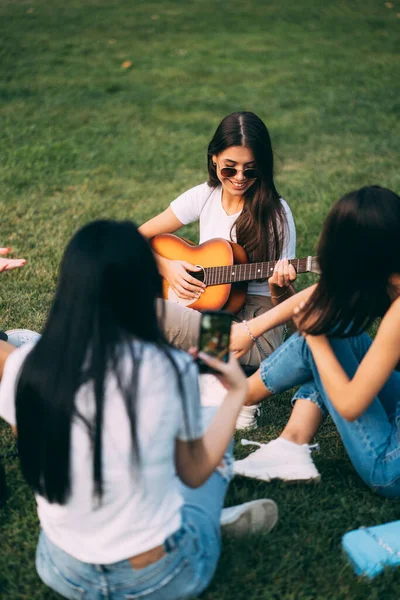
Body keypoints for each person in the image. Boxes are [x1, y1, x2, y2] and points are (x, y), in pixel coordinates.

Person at [0, 220, 278, 600]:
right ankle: (200, 523)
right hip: (155, 577)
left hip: (62, 568)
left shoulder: (26, 367)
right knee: (210, 421)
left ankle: (177, 515)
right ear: (148, 284)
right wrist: (236, 392)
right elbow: (231, 342)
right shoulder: (167, 364)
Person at [228, 185, 400, 496]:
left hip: (392, 466)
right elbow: (327, 294)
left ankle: (227, 400)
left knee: (321, 342)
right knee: (335, 331)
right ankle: (287, 442)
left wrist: (316, 339)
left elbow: (349, 405)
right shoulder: (391, 275)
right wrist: (252, 329)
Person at [139, 111, 297, 428]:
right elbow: (136, 236)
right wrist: (167, 267)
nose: (239, 178)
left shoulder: (276, 215)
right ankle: (216, 383)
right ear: (214, 160)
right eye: (230, 168)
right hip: (209, 309)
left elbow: (288, 307)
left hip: (254, 330)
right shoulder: (204, 196)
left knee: (150, 315)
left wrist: (280, 287)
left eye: (250, 171)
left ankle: (224, 386)